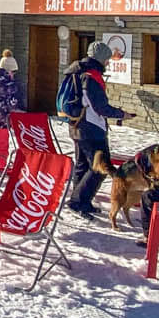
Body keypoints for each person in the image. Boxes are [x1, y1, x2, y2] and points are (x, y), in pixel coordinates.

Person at [61, 40, 134, 219]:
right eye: (107, 59)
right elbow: (100, 106)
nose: (108, 62)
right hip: (91, 127)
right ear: (100, 58)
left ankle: (81, 202)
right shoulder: (91, 76)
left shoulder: (77, 71)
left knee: (83, 165)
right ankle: (78, 201)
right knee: (101, 167)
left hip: (76, 124)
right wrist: (121, 114)